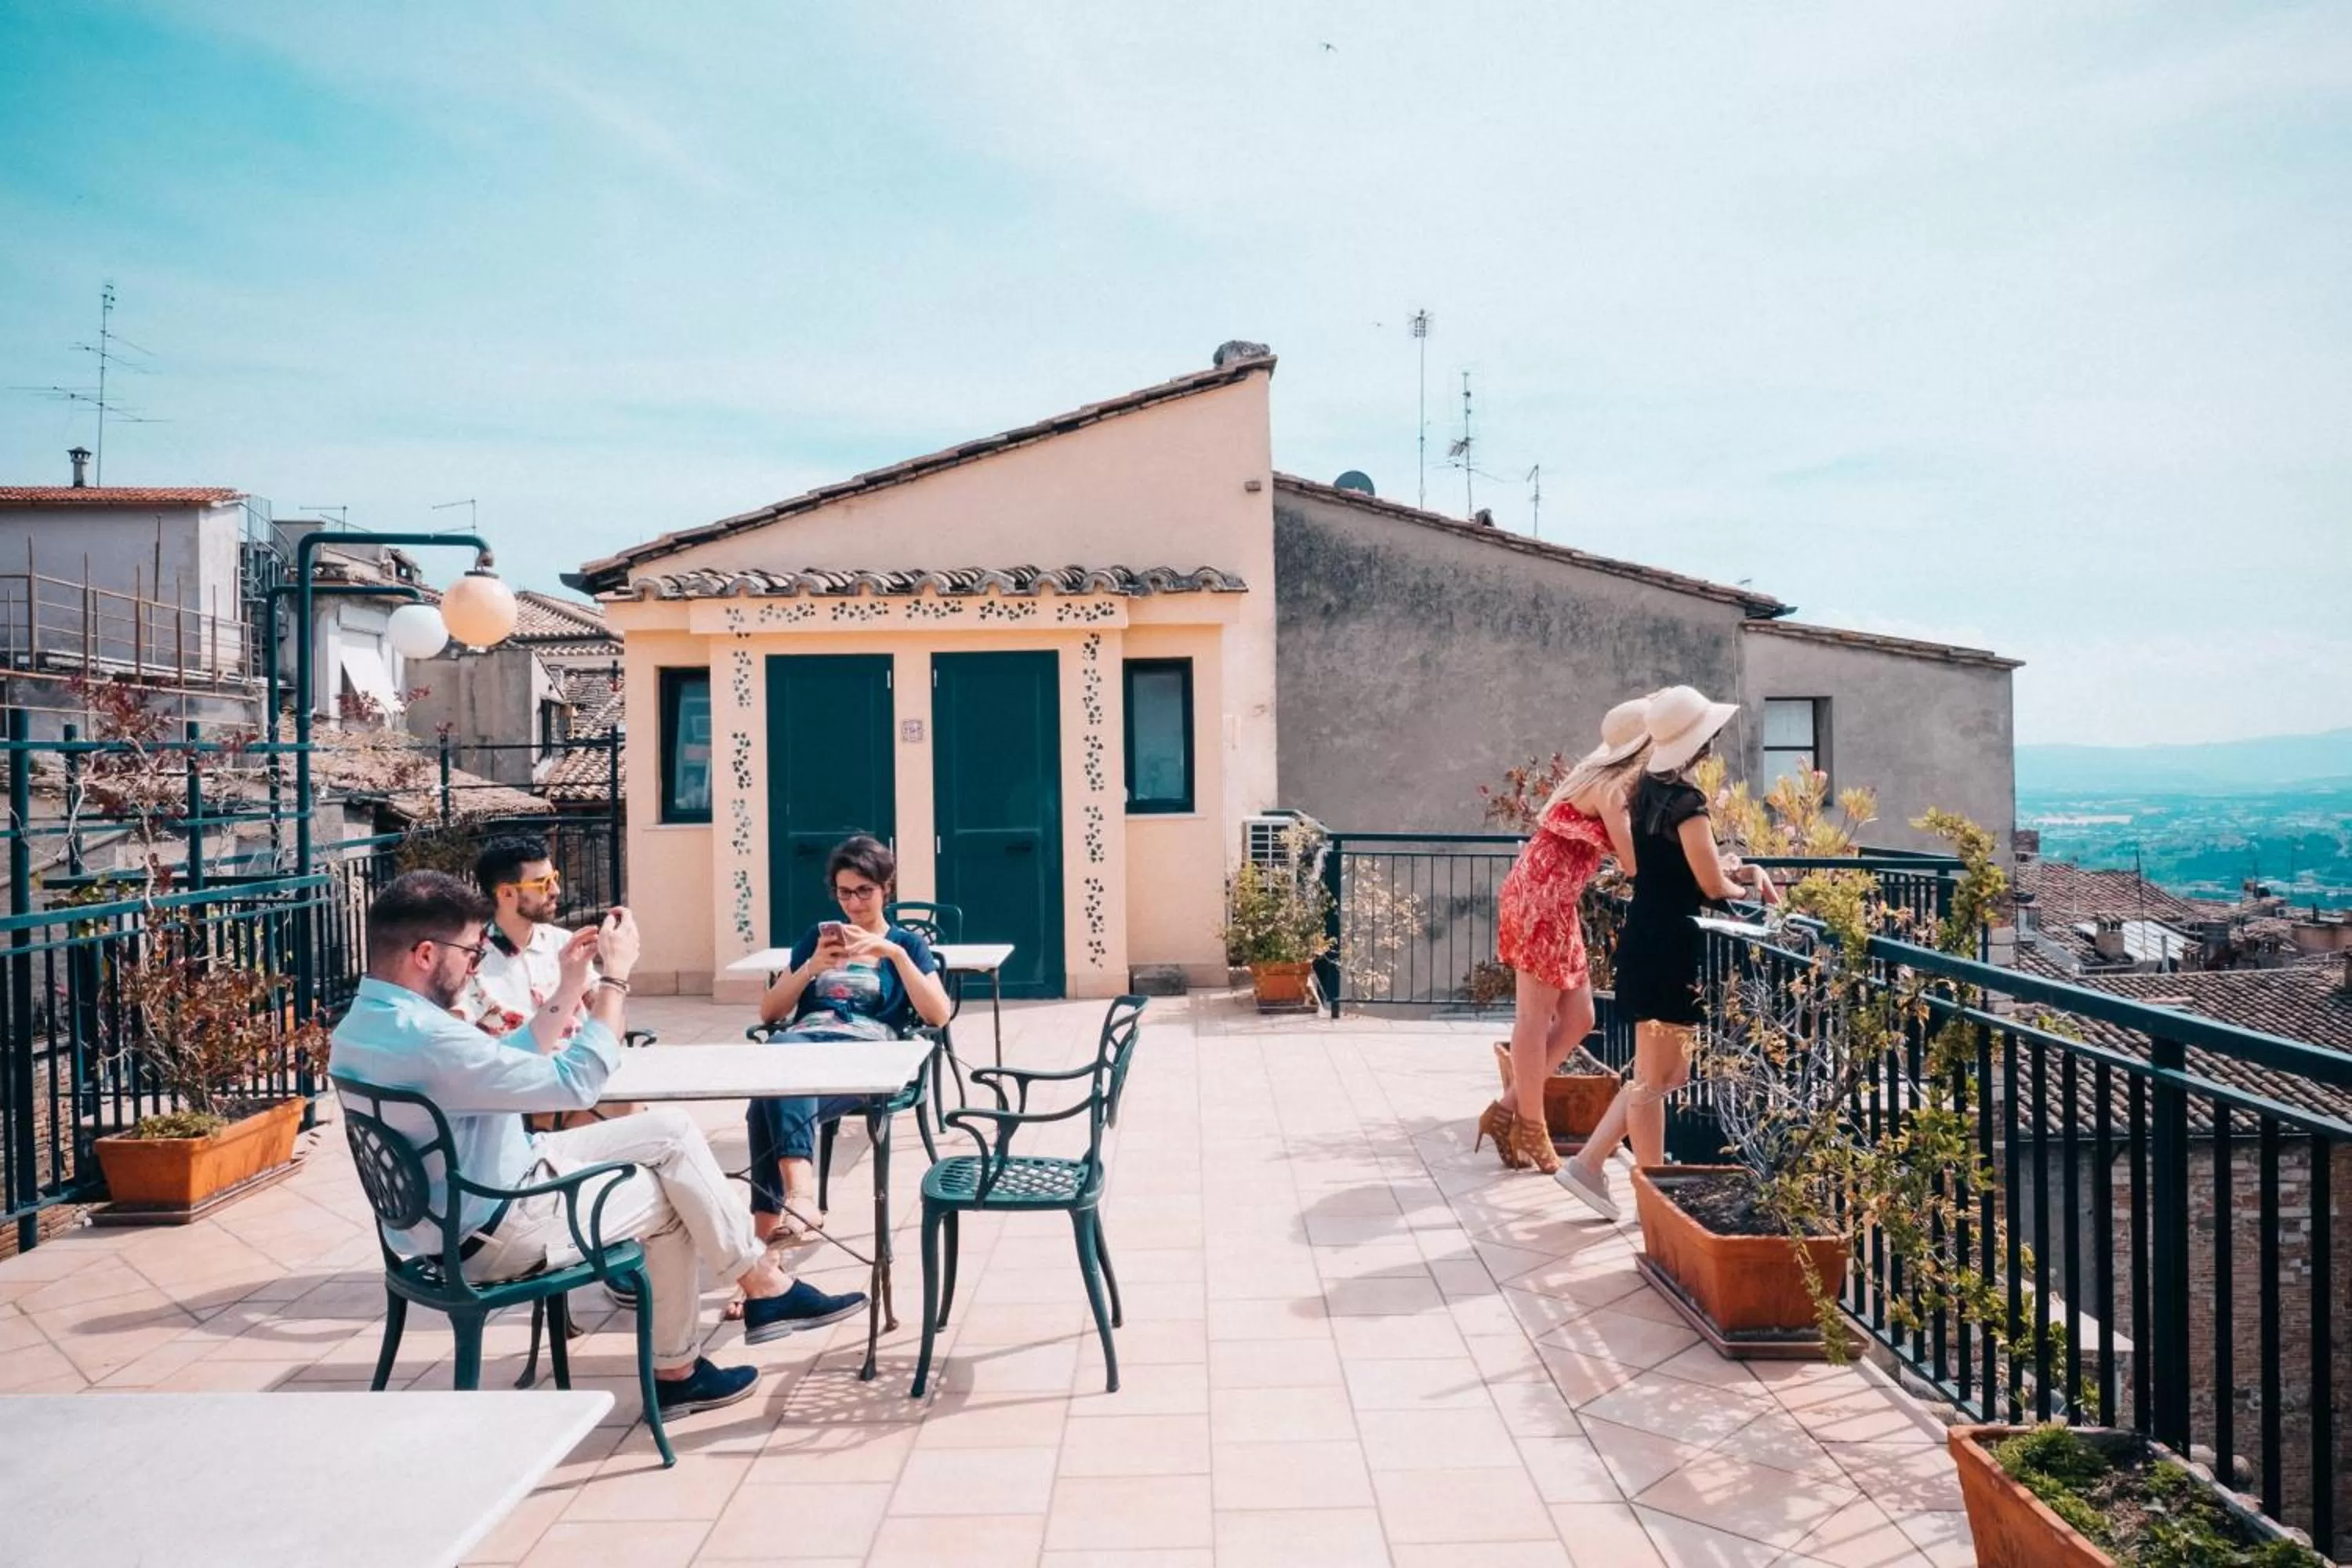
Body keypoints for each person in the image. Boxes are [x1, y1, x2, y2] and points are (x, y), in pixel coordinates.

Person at [328, 870, 867, 1418]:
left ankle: (761, 1290)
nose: (475, 965)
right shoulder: (433, 1038)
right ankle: (688, 1360)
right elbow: (578, 1082)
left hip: (449, 1218)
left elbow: (509, 1059)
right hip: (498, 1230)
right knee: (673, 1196)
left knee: (673, 1132)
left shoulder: (366, 1027)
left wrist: (568, 985)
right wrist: (614, 981)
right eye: (471, 952)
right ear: (424, 953)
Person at [1555, 685, 1778, 1220]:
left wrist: (1734, 871)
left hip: (1647, 939)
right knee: (1658, 1081)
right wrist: (1751, 885)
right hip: (1671, 947)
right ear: (1700, 743)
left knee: (1659, 1077)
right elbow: (1710, 883)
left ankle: (1603, 1171)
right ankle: (1622, 1182)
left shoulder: (1645, 792)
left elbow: (1680, 868)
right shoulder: (1687, 802)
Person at [749, 837, 953, 1243]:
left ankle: (766, 1254)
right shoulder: (817, 939)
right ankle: (793, 1214)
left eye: (865, 891)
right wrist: (809, 967)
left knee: (767, 1100)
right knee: (777, 1077)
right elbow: (770, 1013)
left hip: (863, 1063)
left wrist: (894, 954)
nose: (855, 904)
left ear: (885, 889)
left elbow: (938, 1014)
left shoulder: (907, 944)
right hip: (804, 1050)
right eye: (845, 893)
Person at [1480, 695, 1653, 1175]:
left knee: (1579, 1017)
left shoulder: (1594, 774)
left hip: (1553, 898)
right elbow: (1634, 862)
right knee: (1534, 1018)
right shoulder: (1613, 787)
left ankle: (1506, 1110)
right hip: (1541, 899)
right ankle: (1531, 1129)